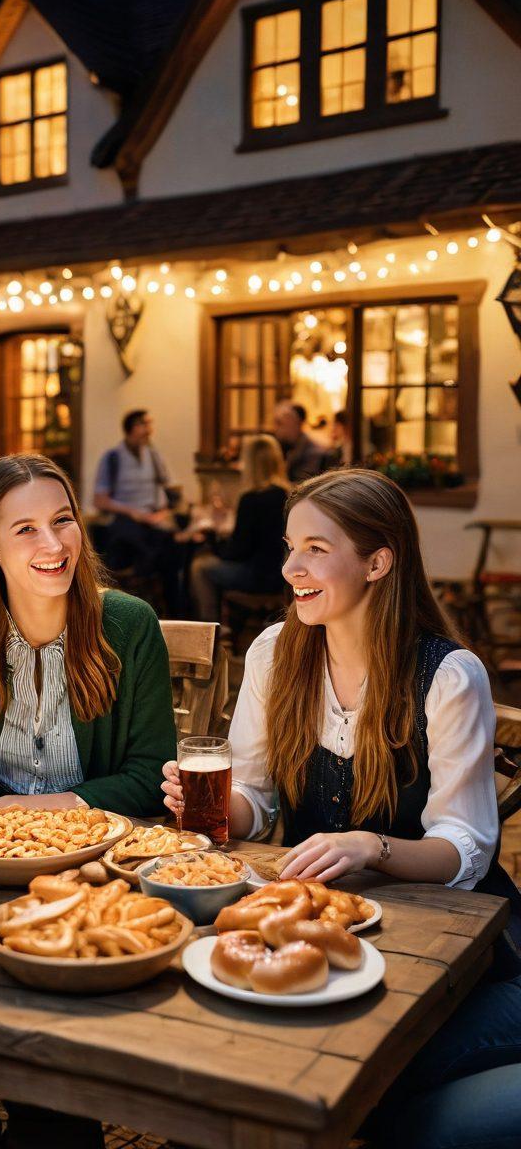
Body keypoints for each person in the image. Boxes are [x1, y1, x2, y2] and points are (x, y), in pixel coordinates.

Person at [162, 468, 521, 1149]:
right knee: (257, 1073)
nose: (292, 566)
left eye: (318, 550)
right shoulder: (276, 652)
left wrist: (370, 847)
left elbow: (466, 851)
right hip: (326, 941)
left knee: (349, 1091)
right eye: (291, 546)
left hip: (463, 959)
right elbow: (255, 803)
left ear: (378, 562)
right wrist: (208, 806)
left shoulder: (447, 676)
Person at [0, 452, 176, 1148]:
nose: (54, 546)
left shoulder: (128, 624)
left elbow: (151, 774)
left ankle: (48, 1123)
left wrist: (41, 814)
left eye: (63, 521)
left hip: (97, 869)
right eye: (25, 530)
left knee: (54, 982)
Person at [189, 435, 289, 621]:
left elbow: (238, 551)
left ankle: (211, 630)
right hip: (282, 574)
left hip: (258, 575)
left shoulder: (252, 499)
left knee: (200, 567)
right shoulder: (286, 494)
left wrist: (213, 540)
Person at [93, 409, 179, 615]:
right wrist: (133, 512)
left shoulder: (154, 456)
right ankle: (141, 602)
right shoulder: (112, 457)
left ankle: (174, 610)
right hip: (125, 519)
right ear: (131, 428)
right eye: (144, 424)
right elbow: (100, 500)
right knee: (137, 541)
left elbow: (167, 489)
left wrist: (163, 512)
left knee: (173, 546)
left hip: (151, 519)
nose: (149, 430)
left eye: (150, 424)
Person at [273, 400, 326, 483]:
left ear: (296, 423)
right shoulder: (284, 446)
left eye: (280, 423)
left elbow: (302, 485)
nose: (276, 428)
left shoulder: (312, 452)